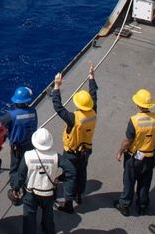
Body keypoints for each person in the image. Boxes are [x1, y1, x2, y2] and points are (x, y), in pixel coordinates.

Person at [51, 60, 98, 211]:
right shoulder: (93, 113)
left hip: (71, 152)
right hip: (86, 151)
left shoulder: (73, 118)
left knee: (70, 175)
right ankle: (79, 195)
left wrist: (56, 87)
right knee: (82, 172)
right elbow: (94, 96)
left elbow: (58, 107)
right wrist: (91, 77)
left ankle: (69, 203)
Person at [115, 88, 155, 216]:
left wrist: (120, 151)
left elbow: (127, 140)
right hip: (150, 156)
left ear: (138, 104)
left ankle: (125, 205)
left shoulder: (135, 120)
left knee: (129, 181)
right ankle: (143, 205)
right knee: (145, 182)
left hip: (135, 158)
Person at [10, 128, 67, 234]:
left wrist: (16, 189)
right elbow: (71, 170)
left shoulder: (28, 156)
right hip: (48, 192)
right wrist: (60, 178)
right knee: (48, 218)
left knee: (29, 219)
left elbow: (21, 175)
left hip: (31, 193)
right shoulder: (56, 156)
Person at [0, 86, 37, 175]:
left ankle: (15, 188)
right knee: (27, 166)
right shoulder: (33, 111)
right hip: (30, 145)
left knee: (15, 169)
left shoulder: (12, 115)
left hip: (17, 148)